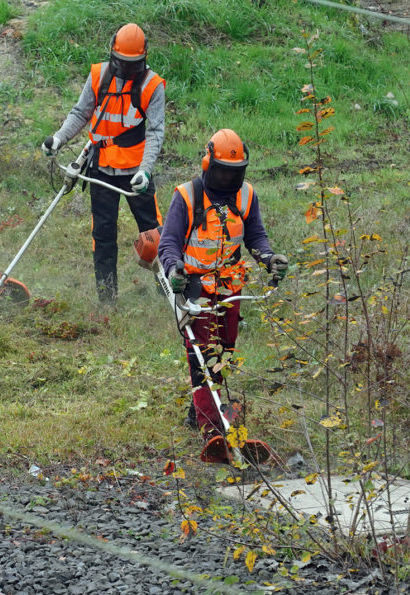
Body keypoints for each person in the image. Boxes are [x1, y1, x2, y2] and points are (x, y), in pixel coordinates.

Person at [157, 129, 289, 463]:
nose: (228, 177)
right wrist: (174, 270)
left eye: (235, 171)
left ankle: (197, 411)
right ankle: (212, 430)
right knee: (202, 358)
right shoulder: (186, 197)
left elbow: (255, 235)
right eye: (222, 170)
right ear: (207, 163)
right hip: (194, 289)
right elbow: (168, 242)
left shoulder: (246, 196)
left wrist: (269, 258)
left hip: (231, 289)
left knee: (224, 355)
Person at [41, 23, 166, 306]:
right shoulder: (99, 75)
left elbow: (155, 133)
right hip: (100, 171)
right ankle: (107, 300)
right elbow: (81, 112)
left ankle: (168, 292)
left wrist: (145, 171)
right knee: (103, 236)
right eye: (121, 63)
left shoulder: (151, 85)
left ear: (144, 58)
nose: (126, 69)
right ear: (113, 54)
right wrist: (58, 139)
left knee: (155, 234)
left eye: (132, 64)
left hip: (136, 173)